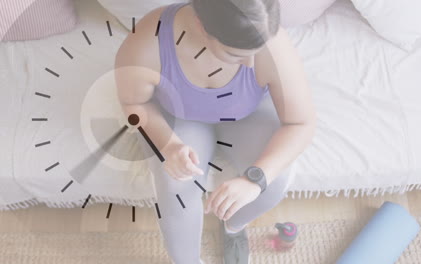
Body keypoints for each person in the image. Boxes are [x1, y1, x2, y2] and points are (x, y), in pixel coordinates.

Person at [115, 0, 315, 263]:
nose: (250, 62)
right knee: (175, 186)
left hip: (247, 113)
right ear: (201, 25)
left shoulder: (272, 42)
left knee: (274, 179)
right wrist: (169, 145)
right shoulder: (146, 43)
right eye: (235, 54)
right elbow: (134, 103)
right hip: (180, 116)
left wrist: (254, 180)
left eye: (256, 49)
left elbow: (301, 124)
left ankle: (233, 227)